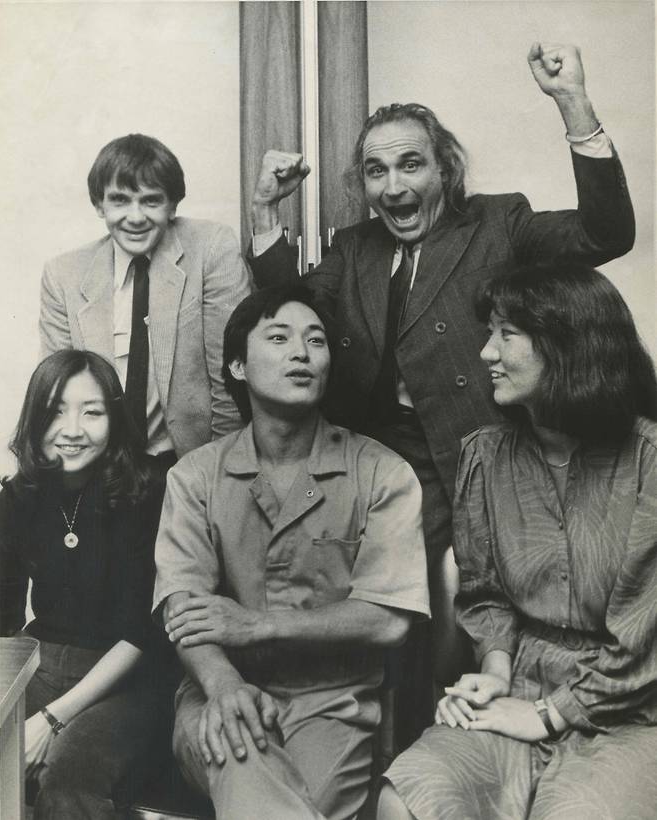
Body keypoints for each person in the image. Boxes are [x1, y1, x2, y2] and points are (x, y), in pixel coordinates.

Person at [246, 42, 635, 746]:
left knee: (483, 607)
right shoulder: (356, 247)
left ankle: (504, 739)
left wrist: (572, 102)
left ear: (444, 171)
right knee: (388, 610)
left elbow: (606, 233)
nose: (393, 185)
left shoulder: (498, 222)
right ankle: (400, 757)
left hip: (493, 455)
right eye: (376, 171)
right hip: (388, 461)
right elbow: (295, 312)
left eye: (410, 164)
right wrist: (265, 212)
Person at [378, 261, 657, 820]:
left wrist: (548, 715)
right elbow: (486, 595)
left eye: (506, 334)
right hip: (521, 686)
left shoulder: (649, 460)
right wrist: (496, 673)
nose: (486, 353)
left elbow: (644, 639)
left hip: (631, 709)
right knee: (403, 799)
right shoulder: (485, 456)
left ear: (567, 345)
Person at [152, 285, 430, 820]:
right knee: (239, 751)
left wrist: (257, 625)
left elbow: (389, 621)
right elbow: (183, 611)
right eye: (279, 338)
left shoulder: (382, 473)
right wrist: (224, 684)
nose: (302, 353)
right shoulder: (195, 477)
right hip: (220, 688)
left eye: (316, 341)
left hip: (333, 702)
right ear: (237, 365)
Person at [0, 350, 174, 819]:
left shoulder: (148, 491)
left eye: (92, 412)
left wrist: (51, 718)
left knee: (68, 782)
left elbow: (142, 633)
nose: (72, 429)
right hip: (41, 664)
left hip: (127, 679)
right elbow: (3, 621)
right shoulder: (17, 496)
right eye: (56, 411)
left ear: (114, 420)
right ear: (35, 419)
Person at [39, 133, 251, 469]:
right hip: (100, 469)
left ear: (173, 205)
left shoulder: (211, 248)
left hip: (192, 465)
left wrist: (218, 477)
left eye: (151, 201)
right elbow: (57, 396)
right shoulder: (63, 275)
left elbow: (230, 383)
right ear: (99, 205)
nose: (135, 217)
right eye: (120, 200)